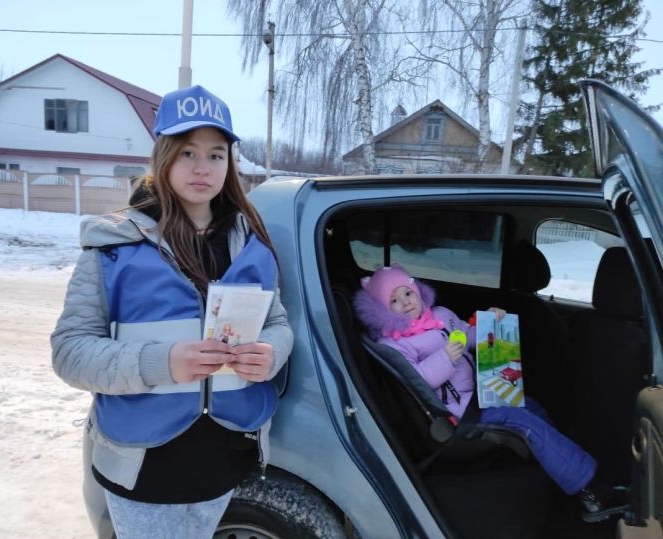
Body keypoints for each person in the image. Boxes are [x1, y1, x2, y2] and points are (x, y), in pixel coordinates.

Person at [51, 85, 293, 539]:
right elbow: (70, 351)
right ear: (163, 156)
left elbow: (277, 324)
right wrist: (162, 364)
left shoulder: (252, 244)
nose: (203, 168)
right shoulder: (112, 247)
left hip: (225, 456)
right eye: (187, 152)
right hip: (146, 468)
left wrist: (270, 353)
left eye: (216, 155)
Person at [353, 264, 628, 523]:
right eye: (394, 301)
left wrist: (488, 325)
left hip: (480, 393)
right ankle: (590, 492)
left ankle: (558, 465)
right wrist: (445, 358)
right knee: (524, 423)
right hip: (459, 415)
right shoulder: (396, 344)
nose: (406, 302)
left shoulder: (440, 316)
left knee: (531, 407)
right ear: (382, 310)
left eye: (408, 293)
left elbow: (467, 335)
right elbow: (419, 381)